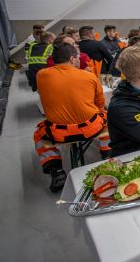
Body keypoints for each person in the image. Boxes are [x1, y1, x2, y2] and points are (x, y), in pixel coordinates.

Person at [34, 43, 109, 192]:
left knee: (39, 135)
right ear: (72, 58)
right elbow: (100, 104)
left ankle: (55, 170)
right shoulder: (89, 76)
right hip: (90, 127)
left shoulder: (41, 75)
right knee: (107, 119)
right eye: (77, 57)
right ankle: (108, 154)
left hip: (57, 132)